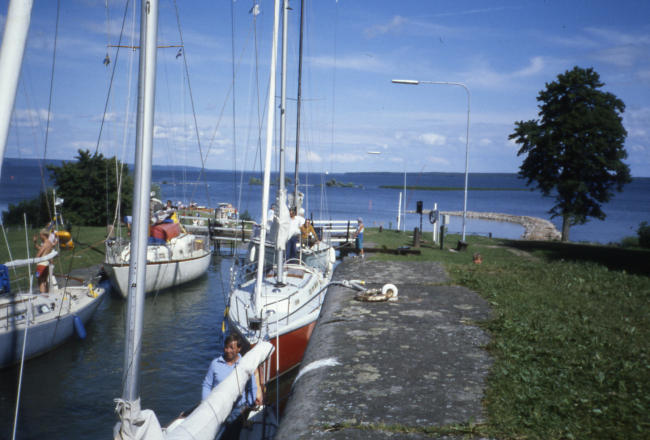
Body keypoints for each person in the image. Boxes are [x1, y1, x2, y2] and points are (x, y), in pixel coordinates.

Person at [202, 333, 263, 439]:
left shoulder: (244, 365)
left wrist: (247, 406)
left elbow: (252, 387)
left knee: (231, 434)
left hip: (238, 409)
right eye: (226, 347)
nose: (227, 350)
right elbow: (207, 385)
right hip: (218, 407)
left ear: (239, 349)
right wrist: (205, 404)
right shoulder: (215, 364)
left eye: (231, 348)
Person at [33, 228, 57, 292]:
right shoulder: (50, 243)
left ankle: (43, 296)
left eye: (40, 235)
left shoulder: (45, 244)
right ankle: (47, 294)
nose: (40, 237)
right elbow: (40, 248)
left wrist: (34, 260)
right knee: (45, 280)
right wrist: (35, 242)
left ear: (43, 235)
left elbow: (39, 254)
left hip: (41, 265)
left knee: (40, 281)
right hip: (46, 264)